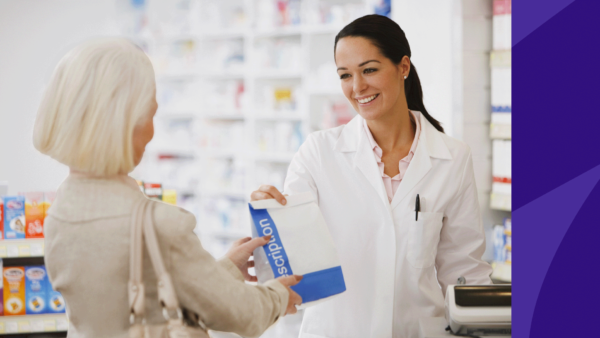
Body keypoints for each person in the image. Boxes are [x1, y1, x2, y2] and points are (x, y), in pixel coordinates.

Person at [33, 38, 302, 338]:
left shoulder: (60, 212)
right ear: (127, 124)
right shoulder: (159, 225)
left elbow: (138, 292)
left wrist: (224, 270)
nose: (151, 130)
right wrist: (277, 295)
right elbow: (238, 314)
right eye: (150, 114)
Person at [251, 15, 493, 338]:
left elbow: (465, 275)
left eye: (369, 70)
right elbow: (290, 269)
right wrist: (271, 219)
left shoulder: (452, 158)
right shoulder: (318, 154)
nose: (357, 87)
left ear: (403, 67)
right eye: (345, 75)